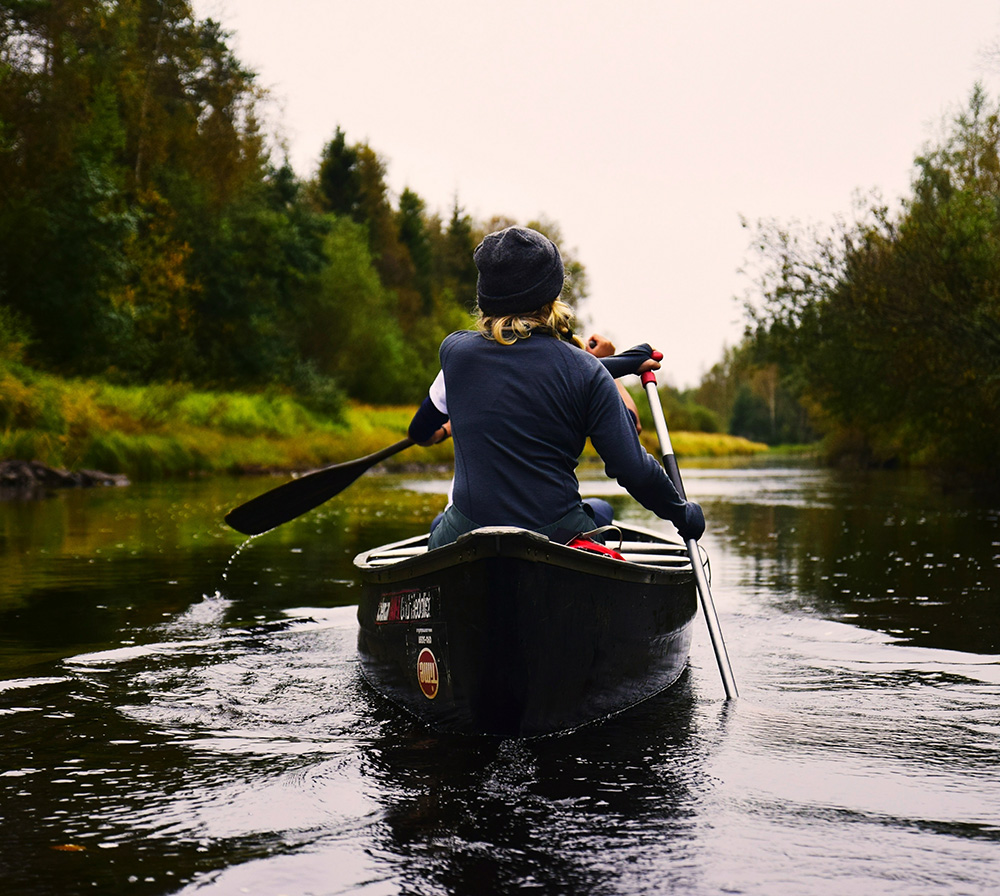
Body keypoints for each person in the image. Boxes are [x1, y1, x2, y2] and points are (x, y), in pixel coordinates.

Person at [407, 225, 705, 549]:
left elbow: (420, 430)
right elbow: (633, 471)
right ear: (552, 295)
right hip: (555, 537)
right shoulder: (584, 372)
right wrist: (683, 514)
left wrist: (625, 362)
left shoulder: (455, 353)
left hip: (466, 532)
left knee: (441, 522)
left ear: (485, 296)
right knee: (602, 510)